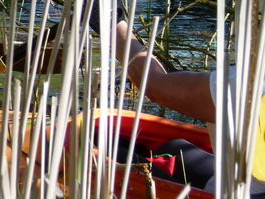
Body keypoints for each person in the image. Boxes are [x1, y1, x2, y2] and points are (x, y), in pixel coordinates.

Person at [100, 10, 265, 193]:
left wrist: (111, 21)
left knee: (111, 150)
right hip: (241, 181)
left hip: (236, 193)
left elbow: (154, 86)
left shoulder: (245, 84)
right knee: (176, 147)